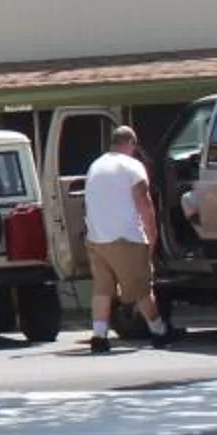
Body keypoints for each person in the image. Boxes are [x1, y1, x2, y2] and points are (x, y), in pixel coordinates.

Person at [82, 125, 167, 352]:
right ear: (130, 143)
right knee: (142, 288)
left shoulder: (95, 166)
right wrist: (151, 234)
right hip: (126, 237)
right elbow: (143, 201)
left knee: (103, 289)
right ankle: (159, 331)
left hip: (96, 238)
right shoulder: (132, 166)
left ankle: (99, 337)